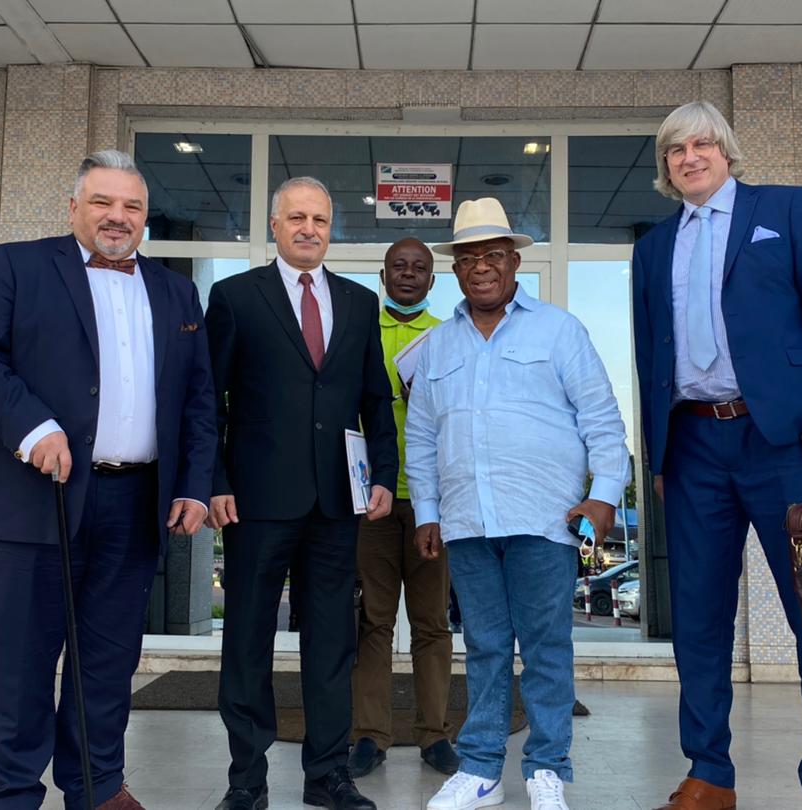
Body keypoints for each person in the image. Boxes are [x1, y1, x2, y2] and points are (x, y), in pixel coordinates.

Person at [0, 149, 216, 810]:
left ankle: (96, 788)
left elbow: (197, 398)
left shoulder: (177, 291)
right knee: (20, 666)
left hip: (134, 502)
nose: (117, 216)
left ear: (145, 217)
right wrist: (33, 427)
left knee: (107, 662)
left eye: (132, 206)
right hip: (34, 500)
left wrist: (191, 485)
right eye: (102, 202)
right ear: (74, 208)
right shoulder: (20, 266)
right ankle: (13, 794)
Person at [632, 101, 802, 810]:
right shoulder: (653, 246)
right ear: (666, 166)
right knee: (698, 619)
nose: (690, 157)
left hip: (784, 443)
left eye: (702, 144)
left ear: (727, 151)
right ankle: (710, 774)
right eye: (676, 150)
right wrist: (659, 457)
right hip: (694, 445)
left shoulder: (784, 209)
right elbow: (649, 357)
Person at [406, 198, 631, 810]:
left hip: (544, 519)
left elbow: (602, 420)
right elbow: (421, 438)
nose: (480, 266)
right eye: (468, 257)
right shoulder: (435, 347)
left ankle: (547, 767)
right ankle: (481, 771)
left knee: (545, 648)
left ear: (514, 262)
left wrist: (604, 495)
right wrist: (427, 510)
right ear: (456, 269)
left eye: (493, 255)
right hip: (467, 522)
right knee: (483, 647)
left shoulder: (559, 330)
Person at [205, 176, 398, 810]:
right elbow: (209, 401)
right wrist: (215, 481)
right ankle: (246, 780)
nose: (308, 228)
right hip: (256, 501)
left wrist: (384, 476)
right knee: (247, 641)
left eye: (319, 219)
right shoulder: (236, 297)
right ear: (274, 226)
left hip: (337, 503)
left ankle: (328, 776)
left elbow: (375, 400)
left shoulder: (359, 302)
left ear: (330, 228)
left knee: (332, 644)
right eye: (296, 218)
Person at [348, 238, 457, 779]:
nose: (409, 274)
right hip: (372, 499)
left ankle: (434, 734)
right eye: (399, 266)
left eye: (419, 268)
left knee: (432, 623)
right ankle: (370, 735)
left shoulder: (448, 336)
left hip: (433, 502)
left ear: (433, 281)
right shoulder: (360, 331)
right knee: (373, 620)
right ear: (383, 275)